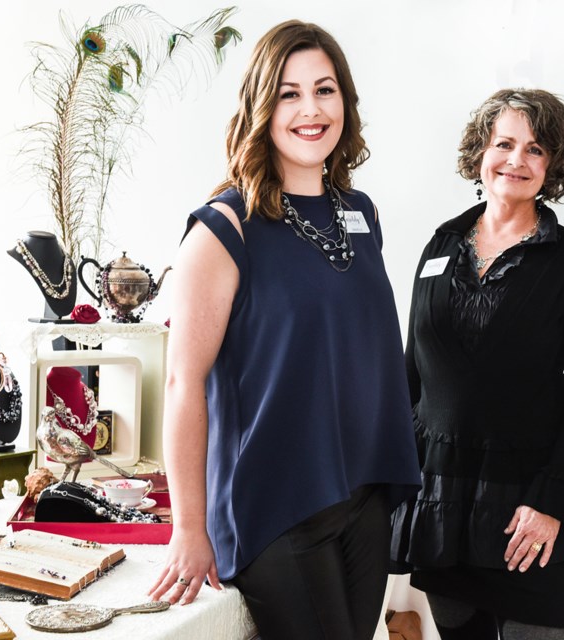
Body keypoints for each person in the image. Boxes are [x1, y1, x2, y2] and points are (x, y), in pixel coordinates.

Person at [146, 20, 421, 640]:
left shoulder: (361, 213)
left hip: (362, 494)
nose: (310, 110)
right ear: (261, 107)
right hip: (274, 505)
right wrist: (187, 527)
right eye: (289, 93)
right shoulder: (225, 227)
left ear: (345, 102)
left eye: (324, 90)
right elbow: (183, 384)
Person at [392, 89, 564, 639]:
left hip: (529, 510)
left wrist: (549, 499)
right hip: (444, 508)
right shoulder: (439, 245)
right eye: (504, 144)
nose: (516, 161)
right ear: (480, 153)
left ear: (553, 166)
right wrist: (395, 480)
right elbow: (412, 372)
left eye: (536, 149)